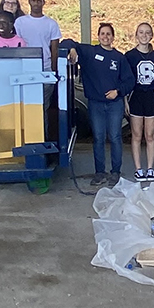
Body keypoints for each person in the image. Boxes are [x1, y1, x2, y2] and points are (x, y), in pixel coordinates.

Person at [63, 23, 134, 186]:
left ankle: (115, 171)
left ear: (113, 37)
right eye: (102, 34)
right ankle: (99, 173)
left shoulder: (119, 57)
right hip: (95, 104)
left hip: (114, 104)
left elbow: (130, 81)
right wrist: (72, 49)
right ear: (98, 36)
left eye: (109, 34)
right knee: (98, 138)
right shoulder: (89, 52)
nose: (105, 36)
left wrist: (118, 91)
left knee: (115, 137)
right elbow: (65, 42)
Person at [125, 22, 154, 181]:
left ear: (152, 35)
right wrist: (125, 100)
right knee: (136, 134)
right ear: (136, 35)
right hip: (136, 97)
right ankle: (138, 168)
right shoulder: (129, 56)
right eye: (141, 32)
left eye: (148, 32)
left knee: (150, 135)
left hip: (151, 97)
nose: (144, 35)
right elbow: (125, 79)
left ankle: (150, 168)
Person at [14, 0, 61, 71]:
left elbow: (54, 50)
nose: (36, 4)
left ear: (43, 2)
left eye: (39, 1)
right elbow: (16, 44)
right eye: (33, 0)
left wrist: (54, 71)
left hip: (45, 66)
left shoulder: (52, 23)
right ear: (29, 2)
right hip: (25, 64)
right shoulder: (20, 22)